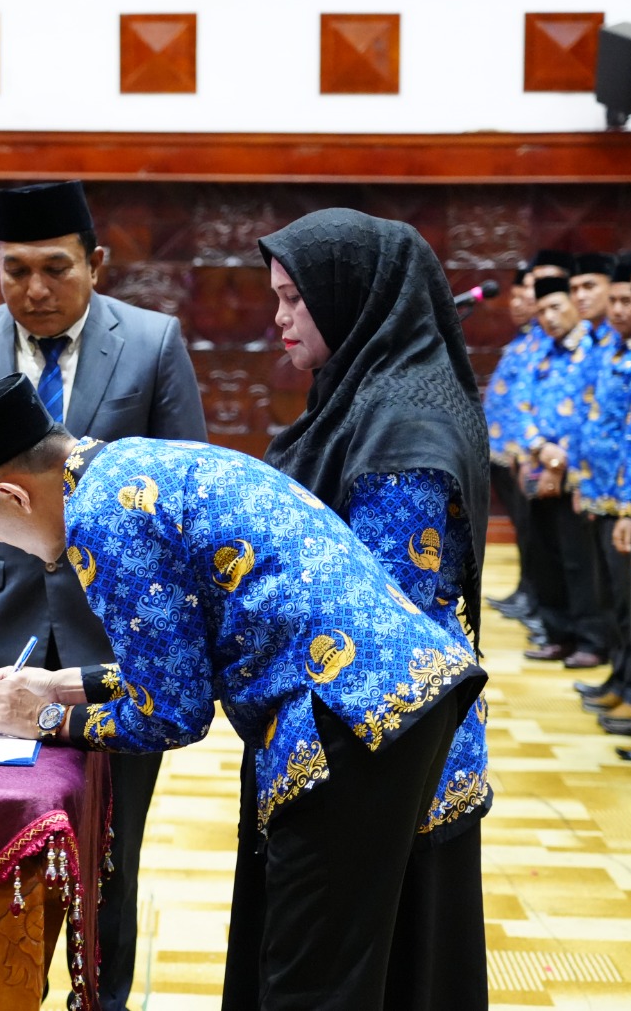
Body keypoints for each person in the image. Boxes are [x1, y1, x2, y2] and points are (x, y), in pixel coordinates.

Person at [0, 373, 487, 1011]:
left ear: (14, 496)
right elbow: (184, 663)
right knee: (333, 958)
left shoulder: (101, 517)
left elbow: (173, 716)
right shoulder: (126, 464)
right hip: (398, 695)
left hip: (347, 715)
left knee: (311, 979)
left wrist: (45, 720)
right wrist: (62, 684)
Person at [0, 181, 206, 1011]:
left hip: (118, 638)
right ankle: (7, 992)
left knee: (110, 844)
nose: (34, 290)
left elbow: (180, 494)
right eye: (15, 271)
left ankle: (101, 995)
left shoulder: (151, 343)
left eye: (56, 269)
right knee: (3, 836)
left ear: (95, 262)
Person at [225, 208, 490, 1011]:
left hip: (372, 753)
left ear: (351, 299)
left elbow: (375, 617)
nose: (279, 319)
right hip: (337, 732)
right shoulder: (359, 399)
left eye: (293, 300)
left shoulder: (405, 427)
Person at [570, 251, 631, 735]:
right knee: (612, 599)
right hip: (602, 490)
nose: (627, 307)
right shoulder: (612, 348)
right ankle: (621, 677)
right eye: (623, 298)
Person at [521, 276, 611, 668]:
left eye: (556, 307)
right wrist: (540, 449)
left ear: (575, 303)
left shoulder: (596, 349)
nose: (549, 317)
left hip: (577, 475)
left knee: (580, 562)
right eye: (541, 310)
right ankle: (557, 634)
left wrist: (559, 462)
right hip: (540, 466)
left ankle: (591, 639)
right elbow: (522, 405)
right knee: (545, 557)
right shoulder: (542, 352)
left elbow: (596, 413)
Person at [484, 263, 545, 630]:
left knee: (532, 530)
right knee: (523, 529)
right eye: (516, 295)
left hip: (524, 453)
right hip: (503, 450)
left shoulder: (544, 342)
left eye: (528, 294)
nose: (518, 302)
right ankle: (525, 590)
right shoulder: (524, 339)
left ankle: (534, 596)